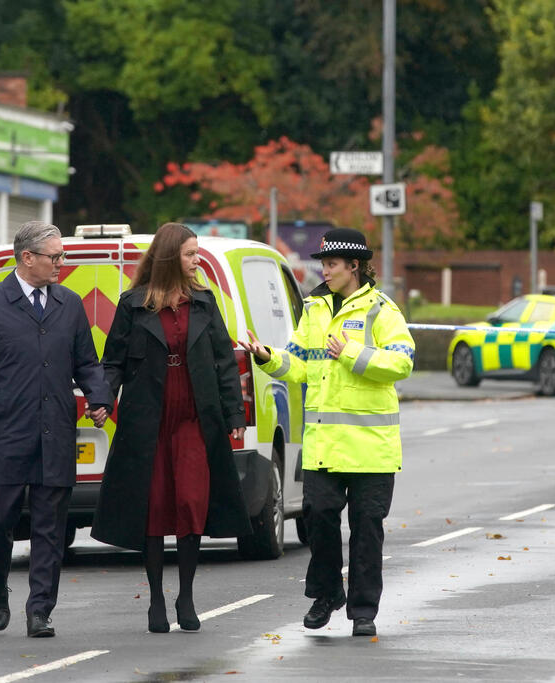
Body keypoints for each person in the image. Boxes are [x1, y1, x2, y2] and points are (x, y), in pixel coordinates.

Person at [239, 227, 414, 637]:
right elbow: (298, 363)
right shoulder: (314, 309)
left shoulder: (381, 311)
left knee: (367, 530)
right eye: (324, 263)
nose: (325, 270)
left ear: (355, 266)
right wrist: (267, 357)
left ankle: (364, 610)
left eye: (332, 264)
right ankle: (327, 594)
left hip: (371, 449)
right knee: (318, 520)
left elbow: (403, 363)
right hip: (324, 447)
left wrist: (351, 353)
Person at [91, 222, 251, 633]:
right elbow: (114, 363)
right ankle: (157, 601)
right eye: (191, 254)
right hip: (148, 421)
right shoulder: (132, 304)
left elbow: (223, 362)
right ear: (169, 258)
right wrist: (104, 401)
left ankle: (186, 597)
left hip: (196, 418)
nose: (197, 261)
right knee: (154, 507)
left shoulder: (202, 301)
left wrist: (236, 416)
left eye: (197, 254)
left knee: (191, 503)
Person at [0, 221, 113, 638]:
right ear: (28, 258)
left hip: (55, 434)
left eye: (62, 256)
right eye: (55, 257)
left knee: (51, 527)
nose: (62, 264)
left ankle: (40, 609)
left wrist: (99, 398)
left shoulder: (69, 303)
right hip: (3, 436)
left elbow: (86, 362)